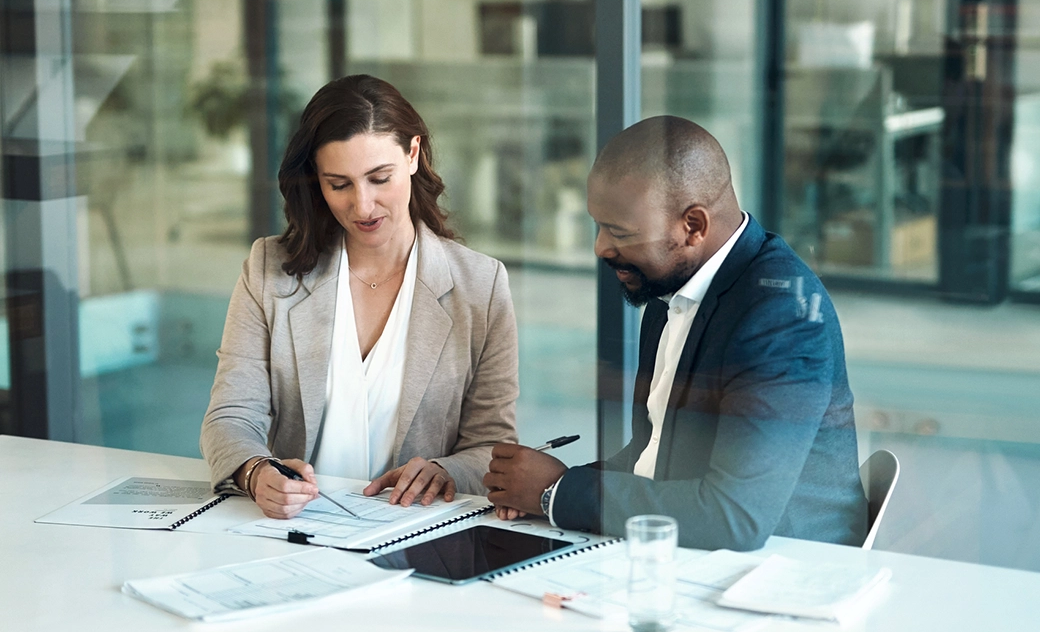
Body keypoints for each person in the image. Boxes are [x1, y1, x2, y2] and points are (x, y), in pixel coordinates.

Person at [484, 116, 868, 550]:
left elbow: (733, 517)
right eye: (599, 225)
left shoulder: (781, 317)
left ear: (694, 226)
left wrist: (558, 493)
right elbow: (654, 454)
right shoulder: (672, 286)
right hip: (696, 557)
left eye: (620, 232)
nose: (600, 247)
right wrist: (547, 486)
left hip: (785, 572)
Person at [201, 74, 518, 519]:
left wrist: (446, 471)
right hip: (294, 530)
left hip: (417, 533)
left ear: (412, 154)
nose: (363, 206)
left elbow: (492, 445)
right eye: (339, 184)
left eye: (379, 178)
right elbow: (230, 417)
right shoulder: (268, 270)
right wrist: (255, 471)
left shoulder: (480, 285)